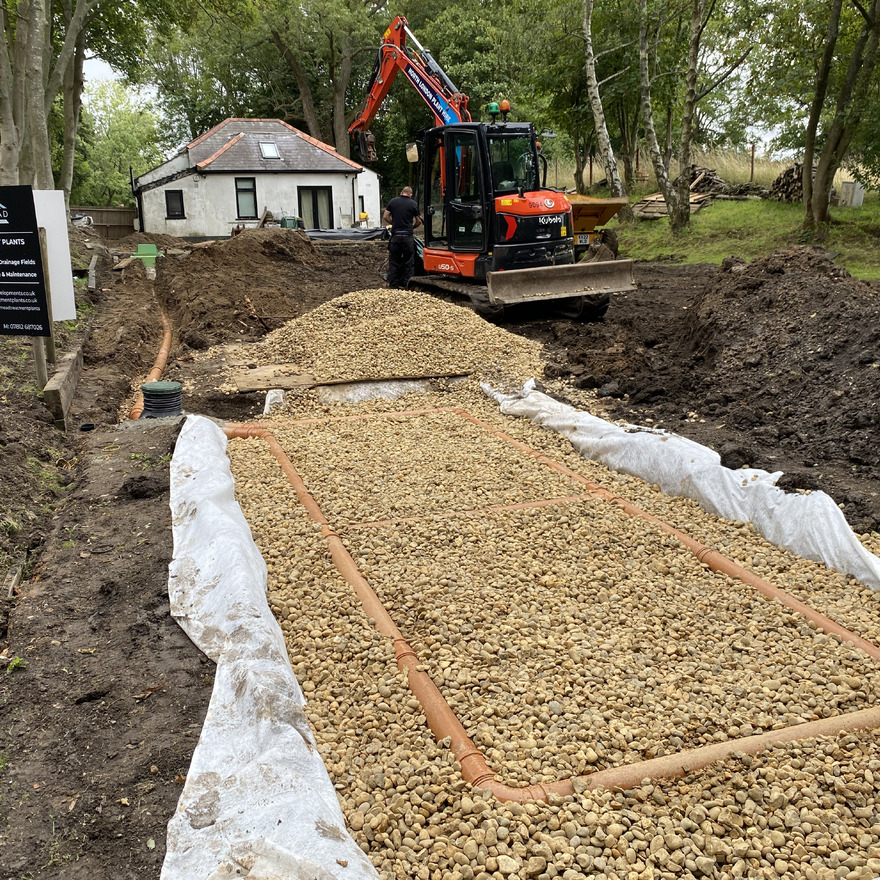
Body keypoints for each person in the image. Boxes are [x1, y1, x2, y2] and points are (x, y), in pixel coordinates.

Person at [382, 186, 423, 289]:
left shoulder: (393, 202)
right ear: (410, 194)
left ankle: (394, 285)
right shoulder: (413, 204)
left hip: (395, 237)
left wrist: (394, 223)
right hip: (407, 237)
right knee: (409, 262)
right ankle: (406, 284)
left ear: (401, 192)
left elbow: (385, 216)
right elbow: (419, 221)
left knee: (394, 261)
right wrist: (412, 227)